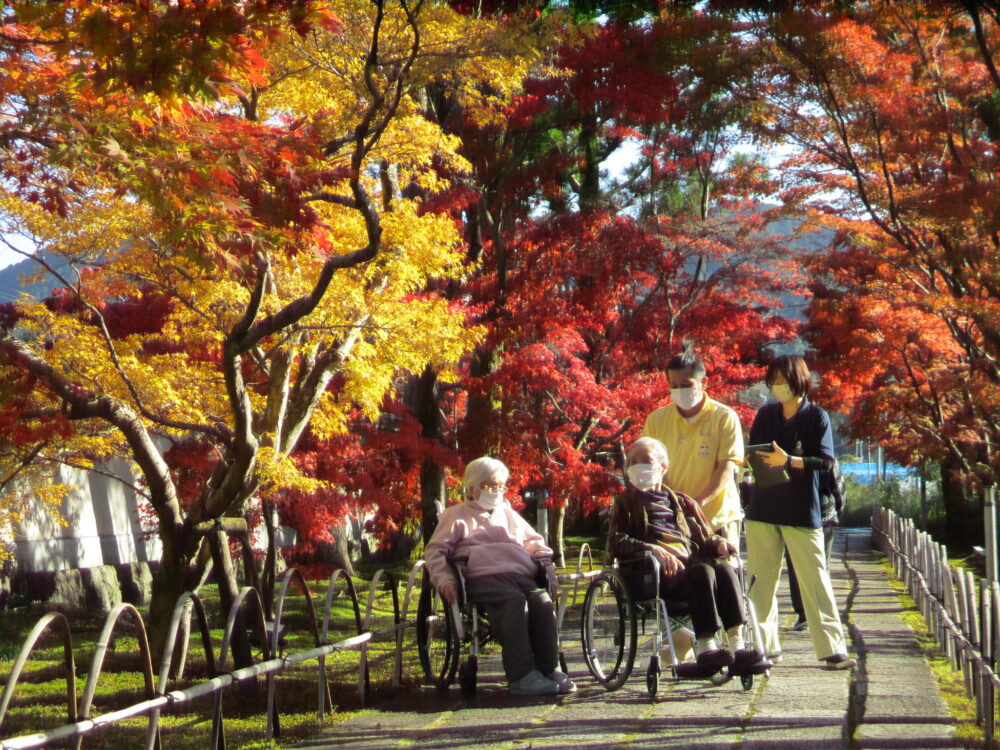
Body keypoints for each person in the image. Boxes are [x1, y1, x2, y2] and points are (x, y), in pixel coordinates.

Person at [609, 437, 763, 675]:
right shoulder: (624, 503)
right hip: (655, 576)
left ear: (663, 467)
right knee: (703, 571)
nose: (639, 466)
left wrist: (720, 544)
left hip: (691, 572)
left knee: (723, 568)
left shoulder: (684, 502)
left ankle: (737, 646)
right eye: (633, 461)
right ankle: (706, 648)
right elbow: (615, 542)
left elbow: (706, 537)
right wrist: (651, 549)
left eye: (646, 460)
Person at [425, 456, 576, 695]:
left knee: (542, 601)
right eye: (489, 485)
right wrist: (445, 580)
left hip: (520, 573)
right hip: (483, 576)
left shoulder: (508, 514)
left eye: (500, 486)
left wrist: (547, 568)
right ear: (471, 487)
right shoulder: (455, 515)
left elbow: (534, 542)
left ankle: (550, 669)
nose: (496, 491)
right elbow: (435, 552)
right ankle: (522, 676)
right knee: (514, 602)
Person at [745, 355, 856, 670]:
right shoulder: (766, 414)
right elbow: (756, 452)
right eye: (774, 381)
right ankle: (763, 648)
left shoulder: (817, 417)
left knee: (815, 581)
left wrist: (791, 461)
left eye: (783, 380)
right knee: (761, 583)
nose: (778, 387)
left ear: (799, 382)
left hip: (803, 511)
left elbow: (824, 460)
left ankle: (832, 649)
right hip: (763, 509)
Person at [642, 350, 745, 548]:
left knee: (724, 574)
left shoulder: (724, 417)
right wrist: (671, 504)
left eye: (686, 385)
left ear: (703, 383)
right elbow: (652, 467)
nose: (680, 390)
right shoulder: (656, 420)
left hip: (718, 519)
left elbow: (726, 468)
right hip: (673, 518)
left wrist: (697, 503)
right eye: (674, 385)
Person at [786, 457, 845, 631]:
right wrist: (838, 511)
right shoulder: (827, 457)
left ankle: (804, 613)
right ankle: (821, 612)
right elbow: (839, 487)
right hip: (822, 514)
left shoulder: (790, 454)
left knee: (795, 566)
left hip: (795, 515)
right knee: (821, 565)